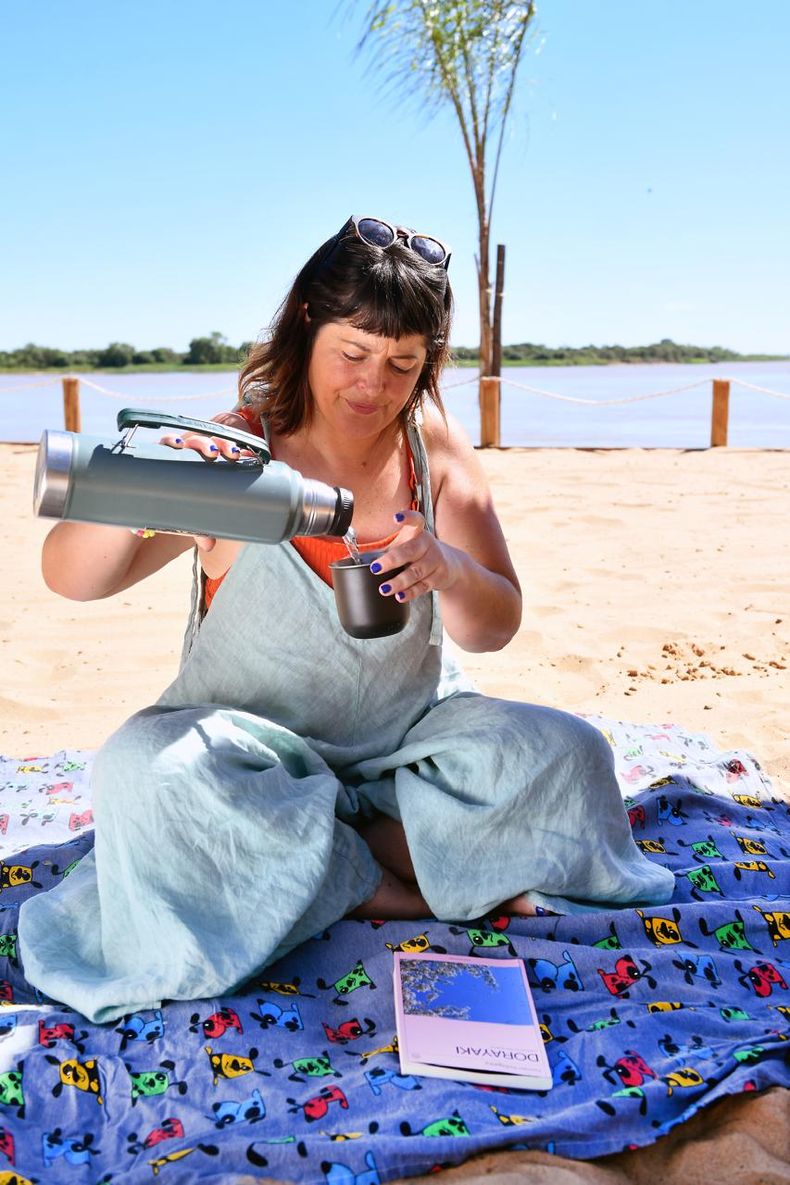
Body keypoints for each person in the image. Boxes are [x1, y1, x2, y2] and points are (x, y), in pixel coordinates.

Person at [18, 215, 674, 1023]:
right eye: (353, 354)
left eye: (403, 364)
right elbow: (69, 576)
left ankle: (320, 871)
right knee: (139, 772)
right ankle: (393, 886)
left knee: (572, 756)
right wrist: (153, 489)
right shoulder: (241, 446)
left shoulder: (431, 445)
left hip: (406, 754)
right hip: (248, 759)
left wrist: (450, 566)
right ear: (306, 324)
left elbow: (492, 624)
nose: (374, 385)